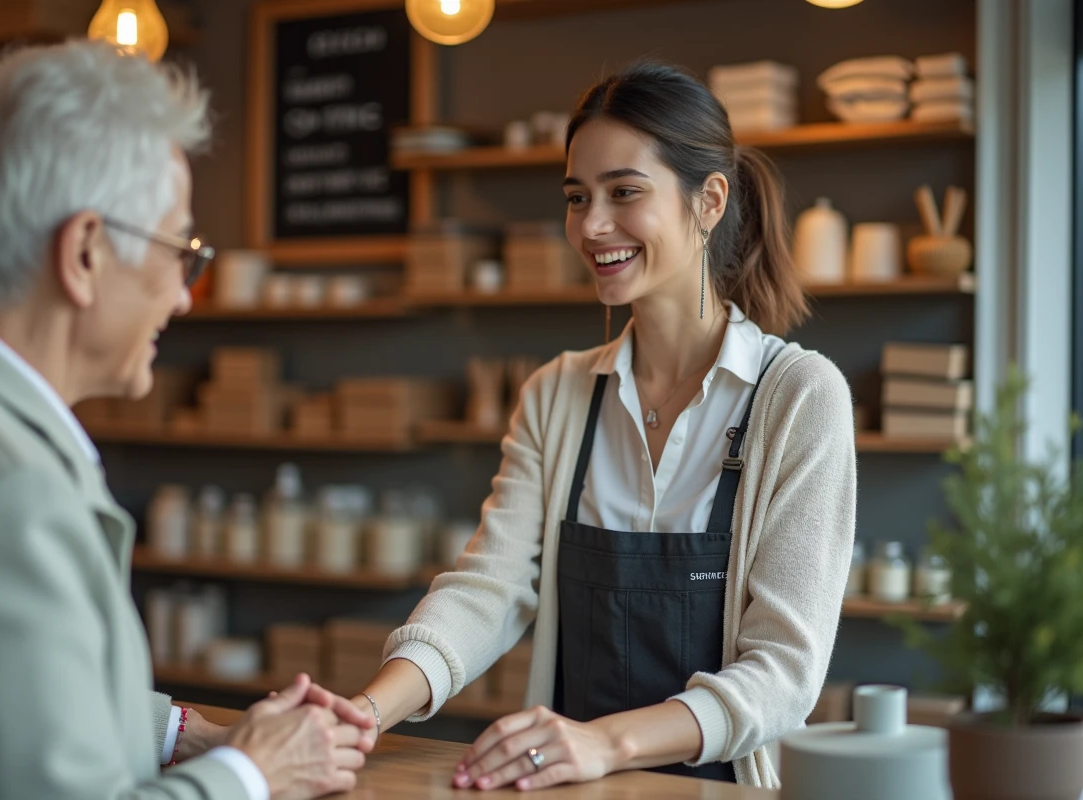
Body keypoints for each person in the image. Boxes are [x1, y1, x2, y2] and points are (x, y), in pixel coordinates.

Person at [0, 41, 374, 799]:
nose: (183, 296)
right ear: (82, 253)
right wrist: (253, 773)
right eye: (180, 248)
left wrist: (188, 737)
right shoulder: (9, 494)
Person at [350, 62, 857, 791]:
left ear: (709, 201)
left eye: (625, 192)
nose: (592, 226)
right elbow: (488, 590)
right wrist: (365, 712)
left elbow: (783, 674)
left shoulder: (801, 399)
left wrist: (604, 744)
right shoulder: (556, 394)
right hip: (568, 784)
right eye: (577, 197)